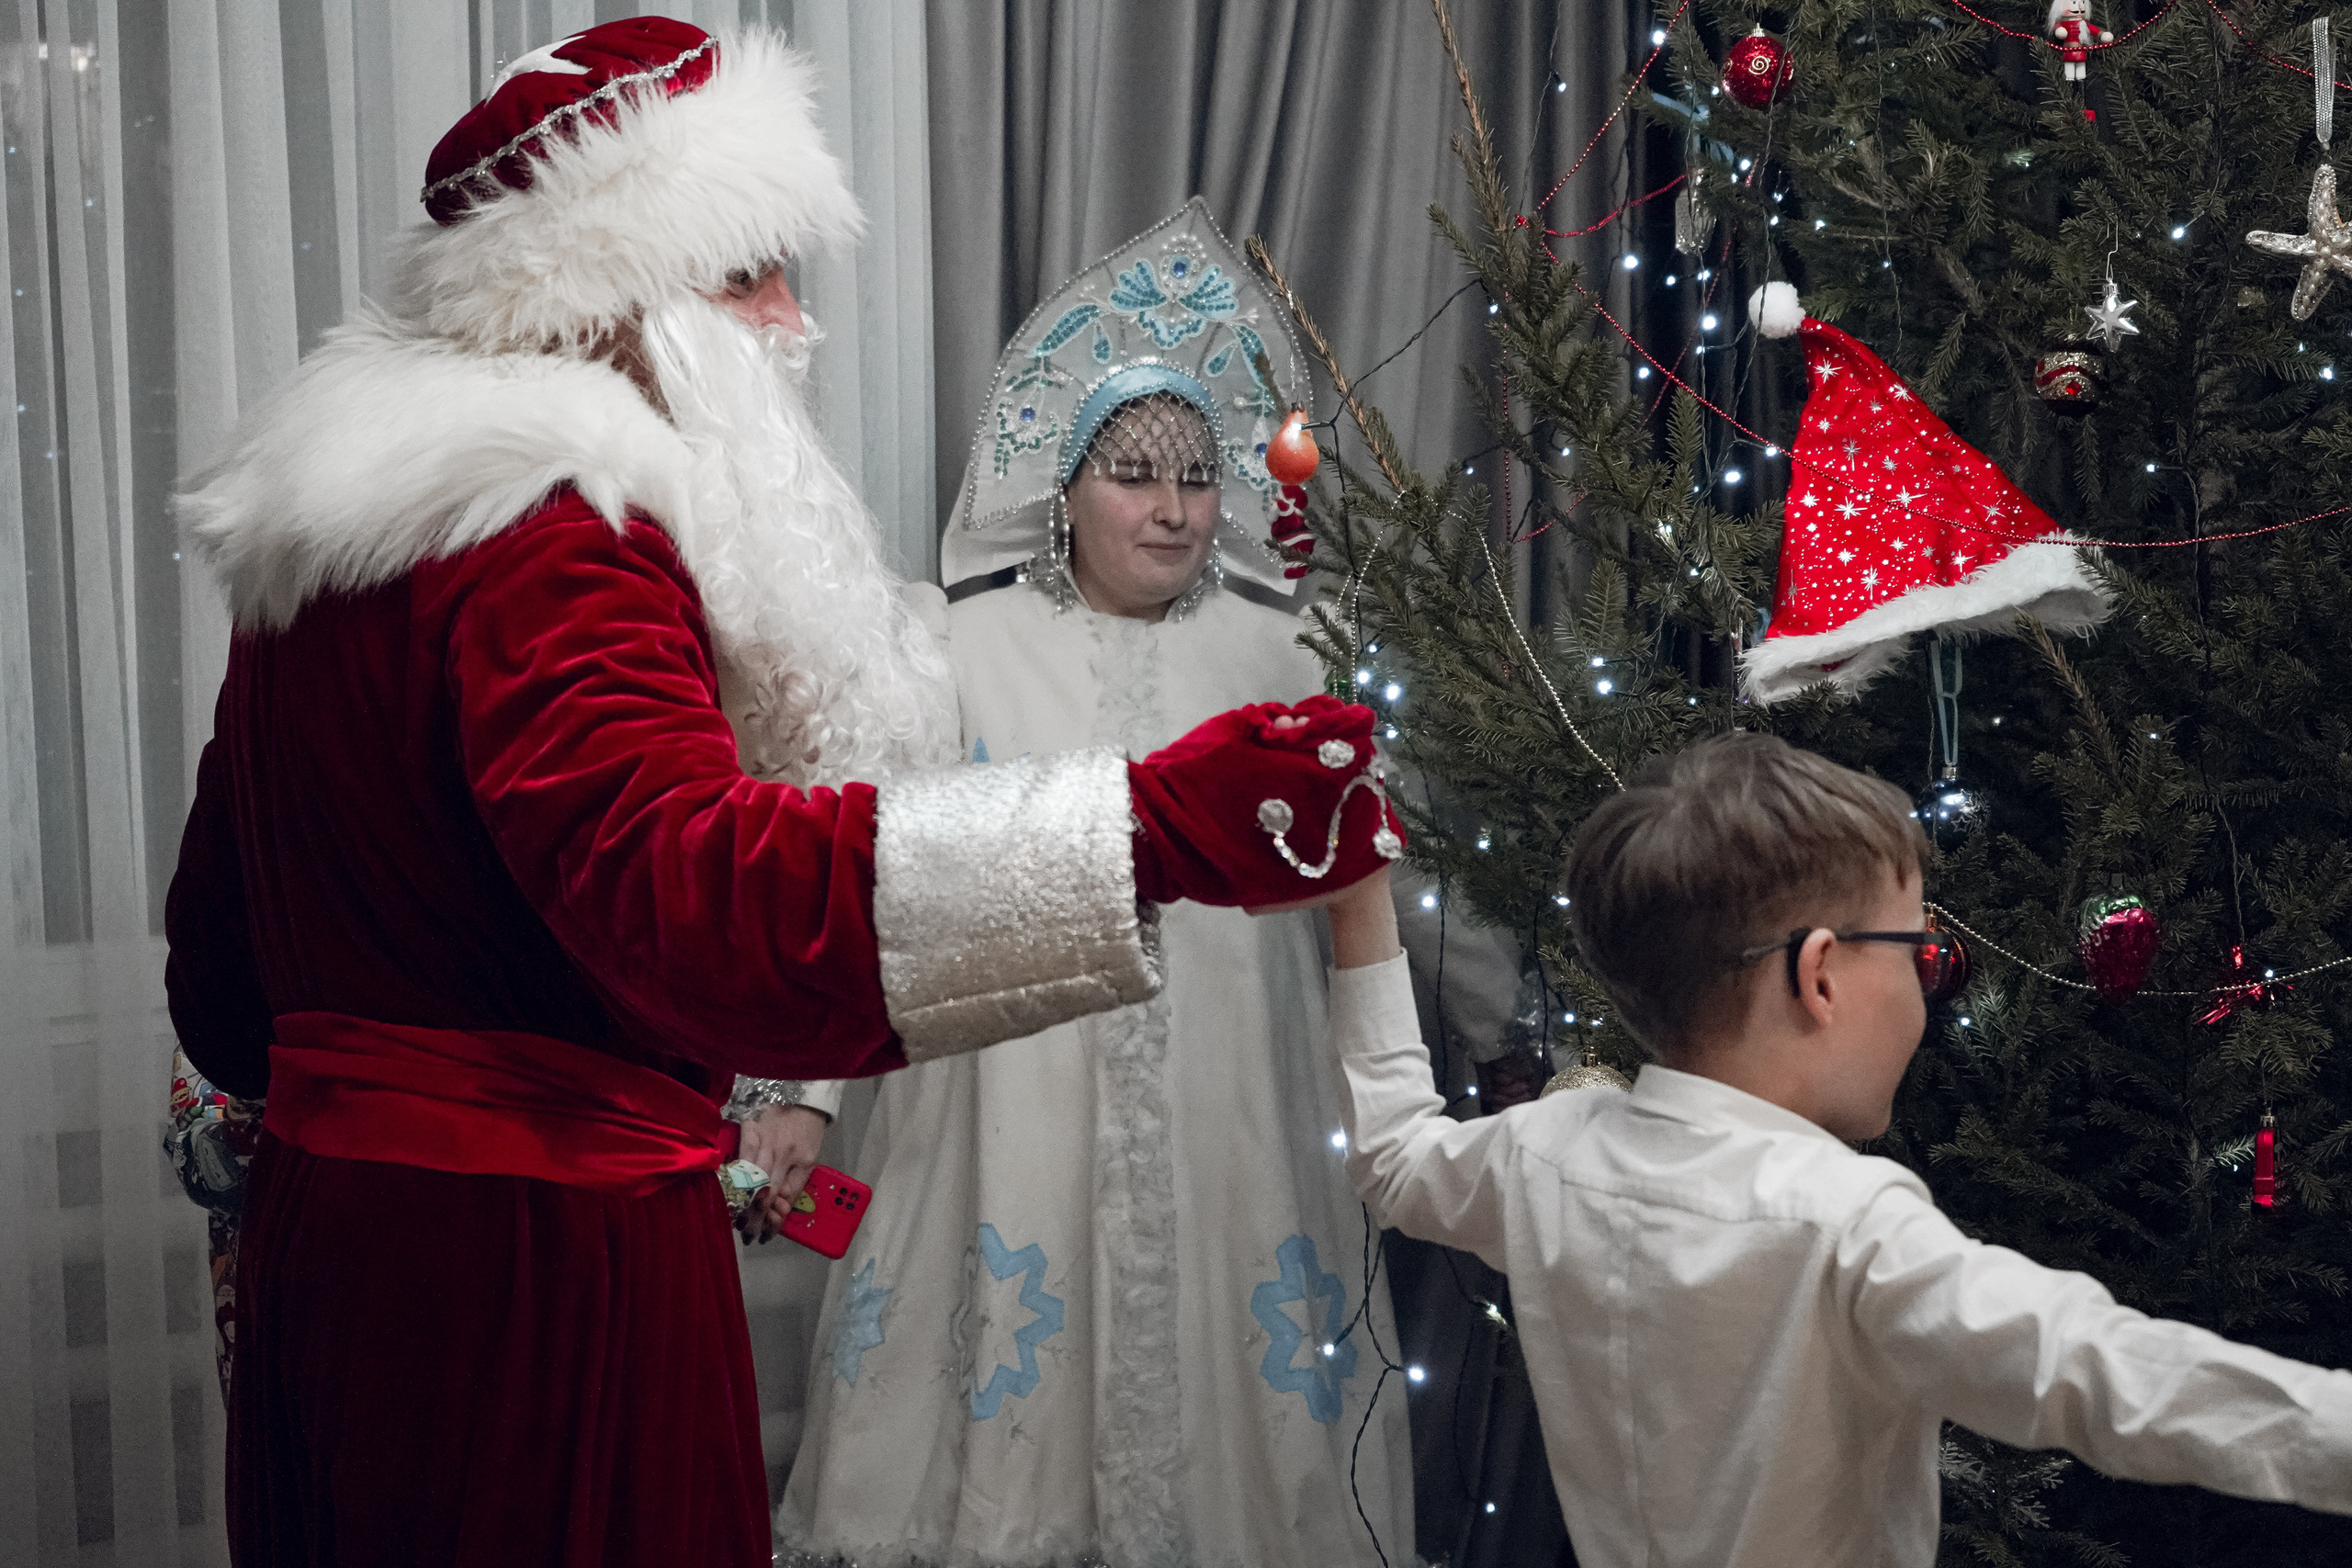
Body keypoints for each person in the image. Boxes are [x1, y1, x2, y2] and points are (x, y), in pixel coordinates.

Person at [163, 26, 1397, 1568]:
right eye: (753, 274)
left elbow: (220, 984)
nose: (797, 323)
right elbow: (694, 897)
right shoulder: (561, 534)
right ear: (607, 297)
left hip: (335, 1262)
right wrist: (1148, 828)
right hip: (539, 1290)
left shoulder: (325, 552)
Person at [774, 199, 1416, 1568]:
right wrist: (805, 1097)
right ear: (1060, 483)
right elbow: (865, 871)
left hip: (1237, 1087)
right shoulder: (952, 644)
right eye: (1133, 473)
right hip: (1003, 1074)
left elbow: (1364, 878)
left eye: (1195, 477)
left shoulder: (1289, 652)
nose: (1174, 509)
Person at [1315, 732, 2352, 1567]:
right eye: (1918, 948)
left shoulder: (1546, 1151)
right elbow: (2095, 1370)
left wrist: (1358, 894)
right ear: (1819, 976)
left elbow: (1397, 1157)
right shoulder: (1842, 1223)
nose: (1925, 985)